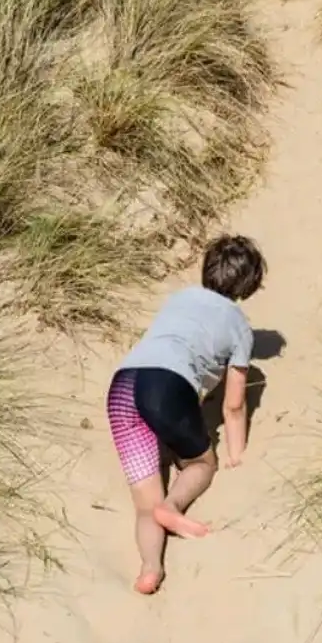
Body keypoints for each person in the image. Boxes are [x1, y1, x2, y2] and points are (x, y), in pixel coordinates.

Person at [106, 234, 266, 596]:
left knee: (144, 505)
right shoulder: (239, 325)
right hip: (166, 386)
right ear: (249, 284)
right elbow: (234, 404)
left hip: (123, 384)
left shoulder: (178, 298)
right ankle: (174, 506)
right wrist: (235, 455)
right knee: (199, 464)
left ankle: (150, 569)